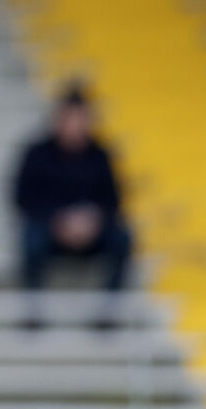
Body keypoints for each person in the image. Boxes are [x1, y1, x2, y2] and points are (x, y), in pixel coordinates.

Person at [12, 81, 133, 330]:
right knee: (30, 239)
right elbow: (22, 198)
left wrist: (93, 222)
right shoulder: (37, 153)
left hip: (93, 233)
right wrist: (57, 221)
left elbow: (114, 200)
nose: (76, 126)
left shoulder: (101, 154)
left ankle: (108, 312)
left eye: (81, 119)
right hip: (50, 232)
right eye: (71, 118)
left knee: (123, 239)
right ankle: (32, 310)